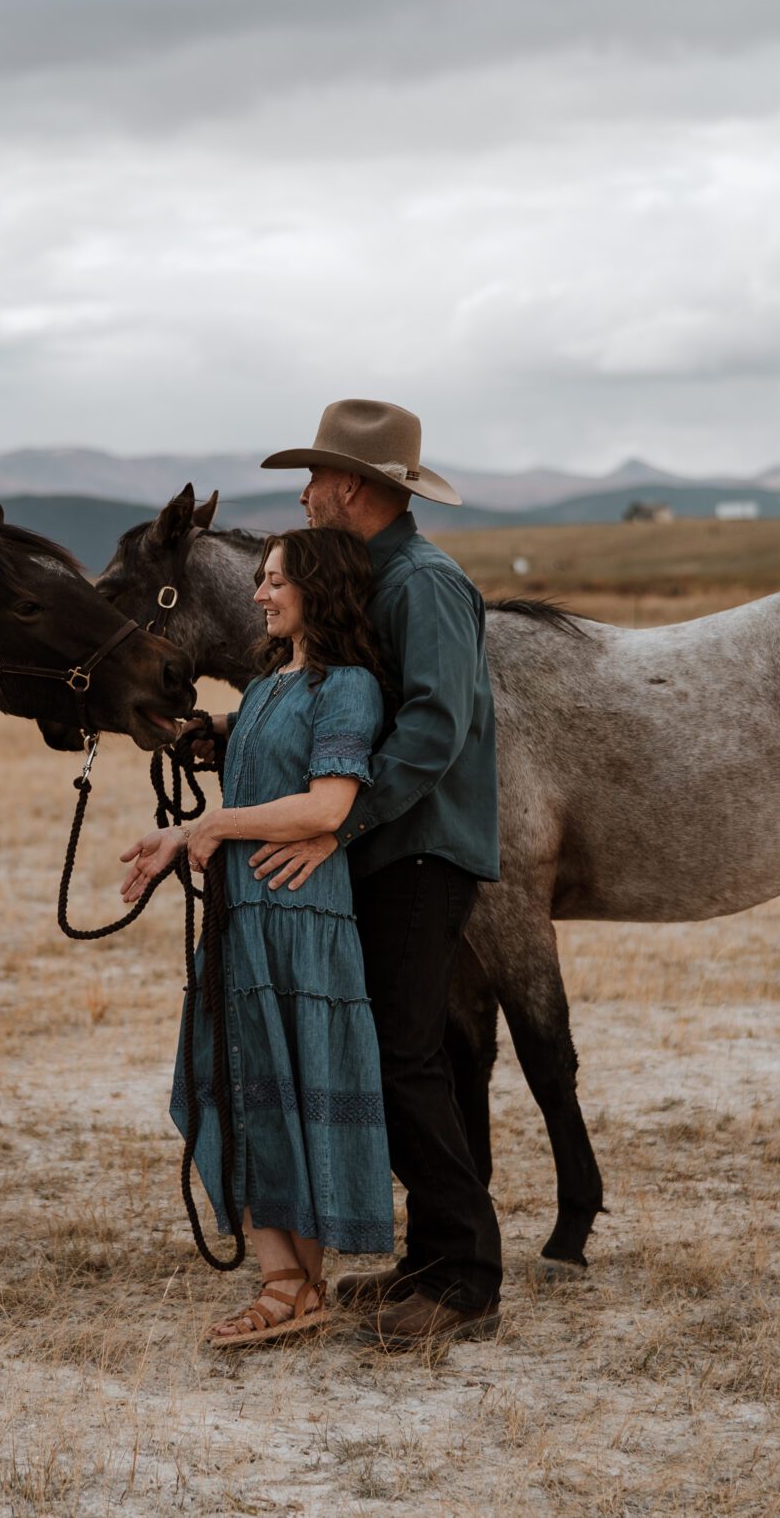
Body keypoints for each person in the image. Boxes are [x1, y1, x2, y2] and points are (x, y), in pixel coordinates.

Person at [251, 399, 504, 1350]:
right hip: (390, 844)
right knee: (401, 1053)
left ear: (351, 487)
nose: (307, 497)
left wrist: (340, 818)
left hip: (420, 849)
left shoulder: (426, 584)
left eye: (314, 480)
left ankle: (468, 1279)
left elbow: (435, 727)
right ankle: (437, 1259)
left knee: (402, 1057)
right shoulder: (377, 579)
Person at [121, 527, 395, 1346]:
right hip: (248, 917)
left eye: (275, 580)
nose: (259, 594)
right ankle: (293, 1281)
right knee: (241, 1083)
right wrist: (184, 819)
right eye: (261, 579)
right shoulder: (274, 683)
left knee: (293, 1085)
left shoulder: (347, 687)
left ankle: (291, 1284)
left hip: (301, 922)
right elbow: (259, 771)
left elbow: (326, 806)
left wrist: (214, 823)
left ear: (318, 590)